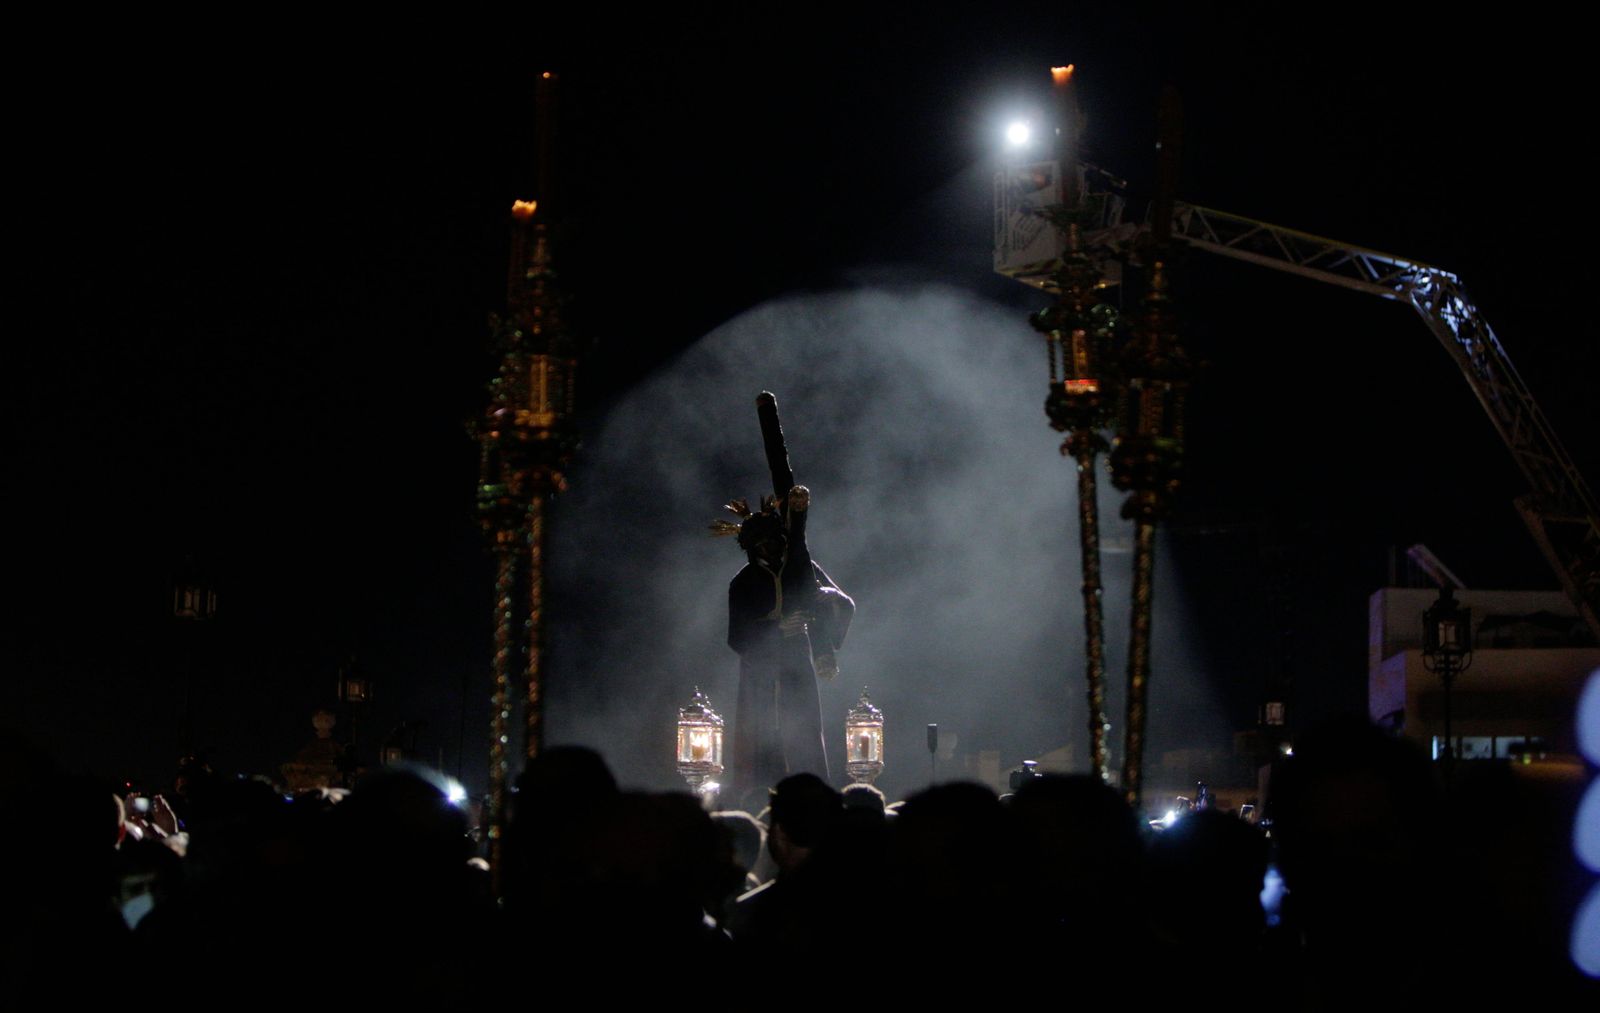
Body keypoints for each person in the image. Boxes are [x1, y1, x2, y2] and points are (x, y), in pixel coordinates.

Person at [724, 485, 853, 810]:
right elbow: (737, 637)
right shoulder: (743, 582)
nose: (770, 548)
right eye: (762, 544)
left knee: (805, 732)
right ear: (752, 547)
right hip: (760, 672)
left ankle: (811, 800)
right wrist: (775, 628)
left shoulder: (801, 568)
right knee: (763, 736)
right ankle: (759, 800)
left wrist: (832, 599)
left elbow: (842, 602)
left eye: (774, 541)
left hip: (798, 664)